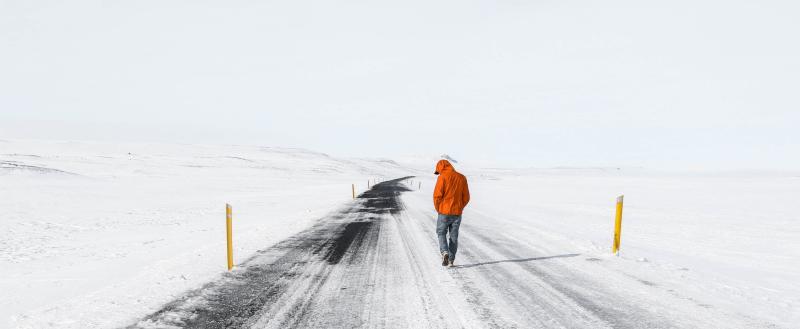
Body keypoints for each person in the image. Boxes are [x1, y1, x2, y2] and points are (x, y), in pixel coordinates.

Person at [433, 159, 470, 267]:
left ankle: (445, 252)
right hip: (457, 213)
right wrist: (459, 207)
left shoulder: (442, 177)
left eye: (438, 171)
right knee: (453, 236)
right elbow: (466, 197)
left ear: (440, 168)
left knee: (441, 233)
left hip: (444, 212)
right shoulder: (462, 177)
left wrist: (439, 209)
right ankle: (451, 260)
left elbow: (437, 196)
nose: (438, 173)